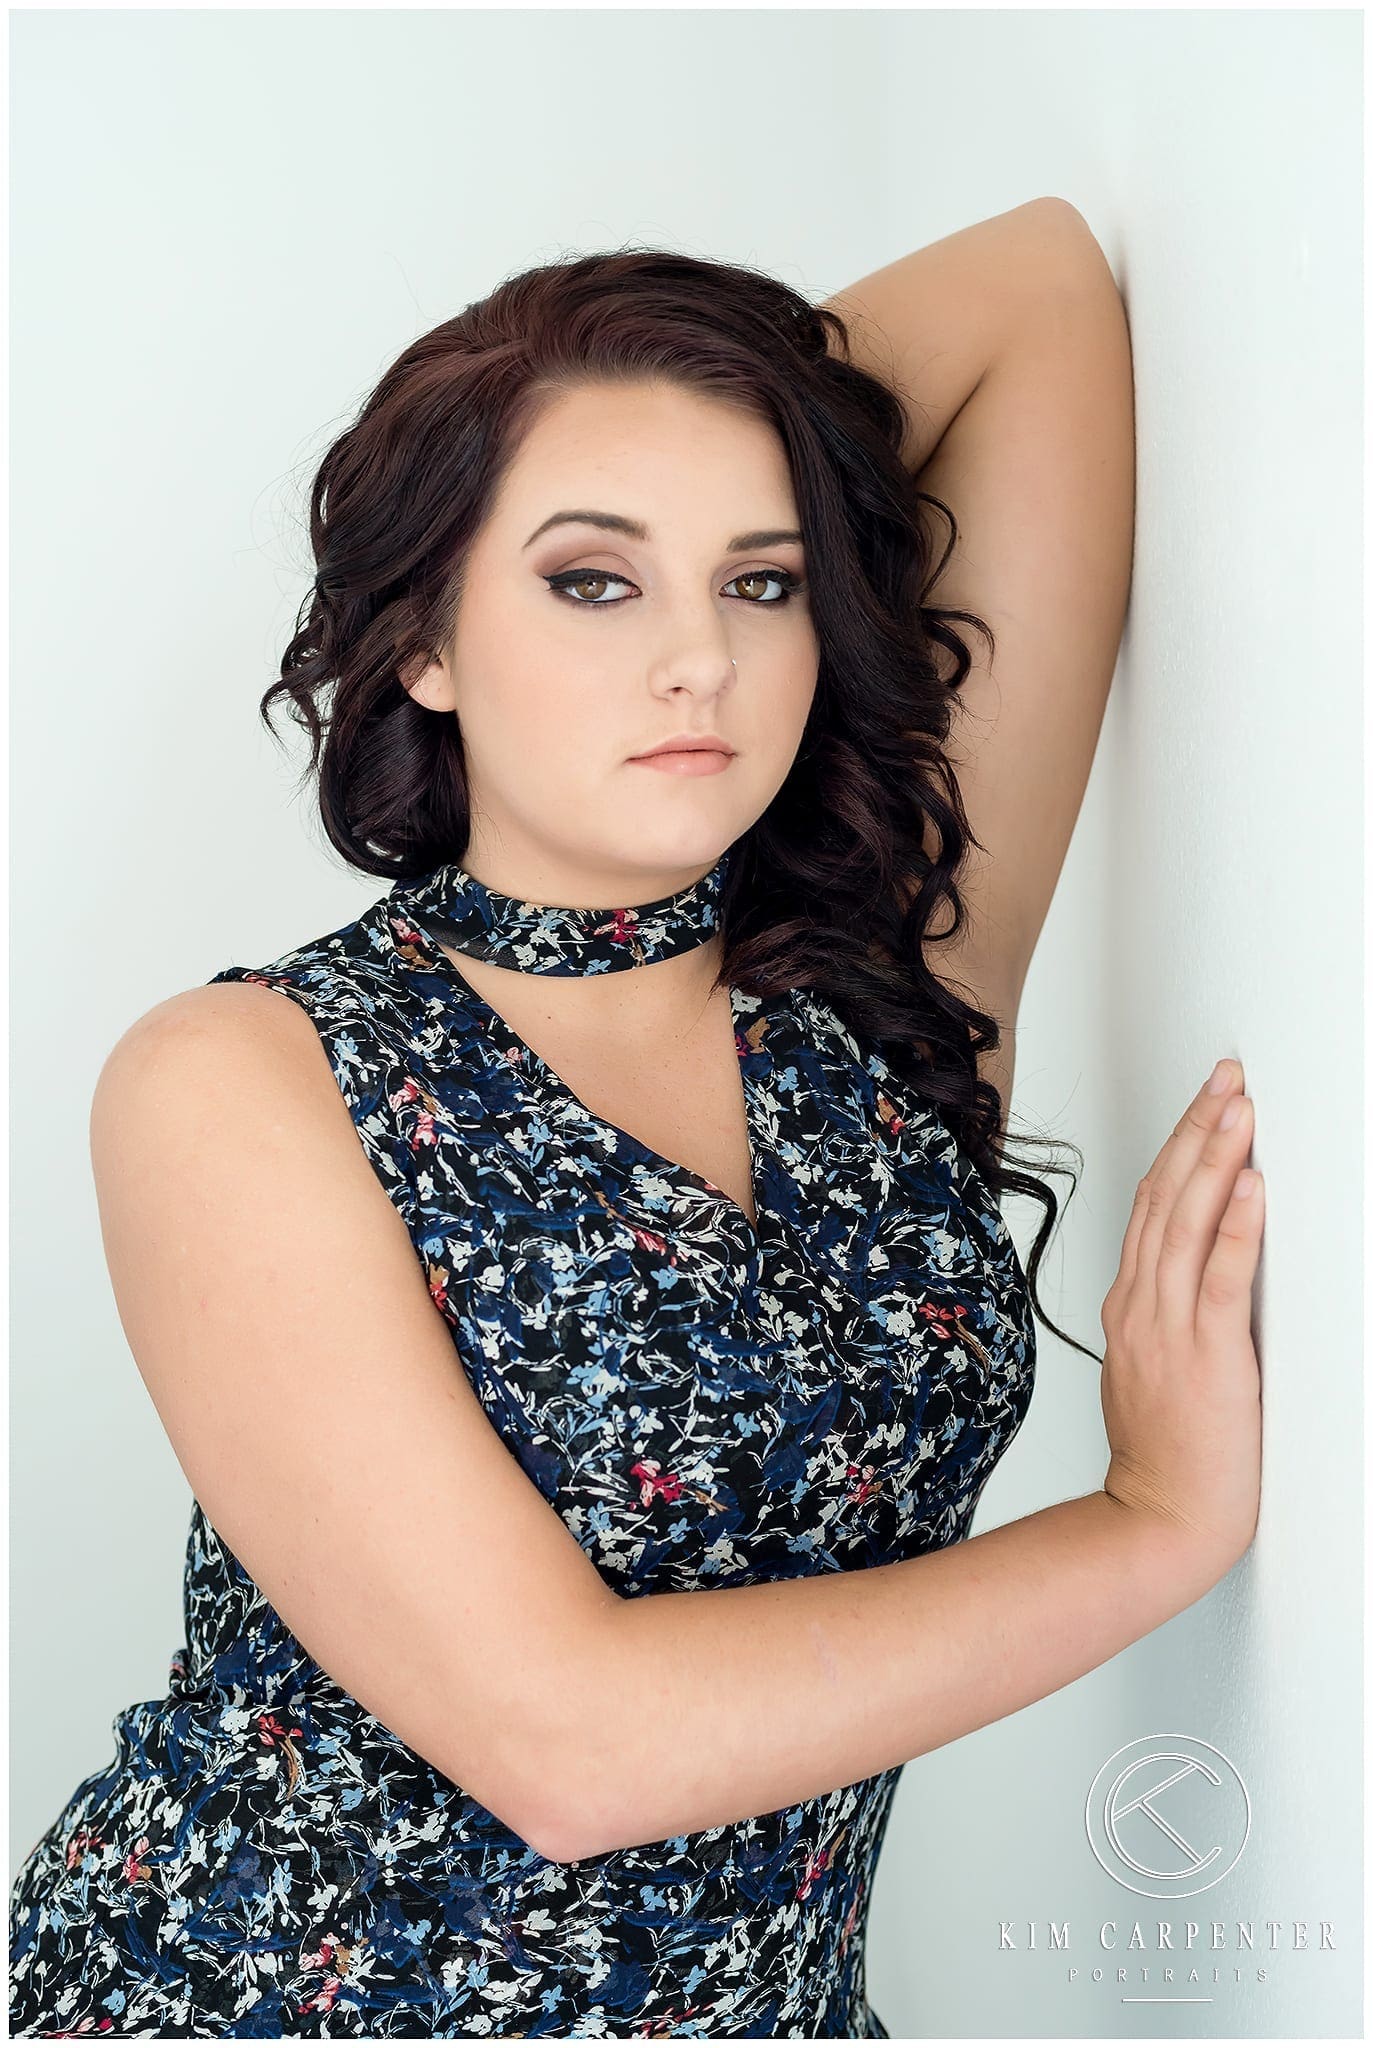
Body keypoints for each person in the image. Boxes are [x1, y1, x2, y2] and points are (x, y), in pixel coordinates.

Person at [9, 232, 1263, 2037]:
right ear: (424, 637)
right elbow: (569, 1744)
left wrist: (706, 425)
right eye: (592, 582)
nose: (700, 661)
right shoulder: (247, 1075)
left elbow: (1044, 297)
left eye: (763, 584)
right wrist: (1149, 1523)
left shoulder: (874, 998)